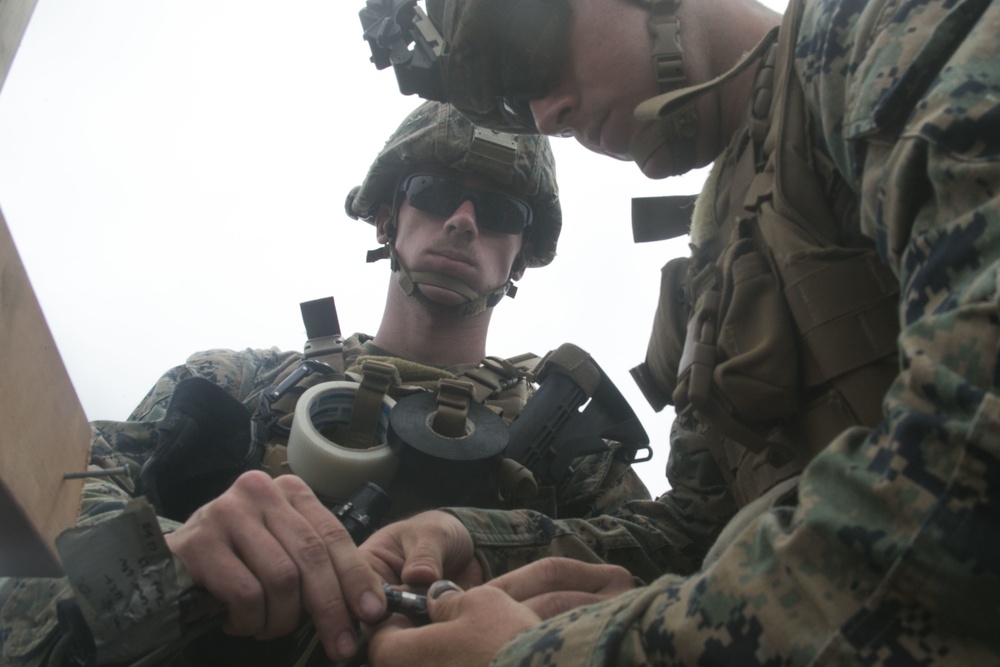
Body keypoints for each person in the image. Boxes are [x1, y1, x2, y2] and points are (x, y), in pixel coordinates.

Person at [348, 0, 1000, 663]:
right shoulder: (714, 260)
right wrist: (474, 539)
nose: (547, 116)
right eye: (517, 103)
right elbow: (695, 535)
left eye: (529, 51)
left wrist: (548, 655)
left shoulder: (886, 36)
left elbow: (969, 468)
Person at [0, 100, 652, 666]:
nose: (462, 221)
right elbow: (59, 502)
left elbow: (666, 589)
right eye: (431, 191)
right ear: (386, 218)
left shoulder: (570, 453)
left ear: (521, 255)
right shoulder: (234, 385)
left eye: (498, 207)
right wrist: (172, 556)